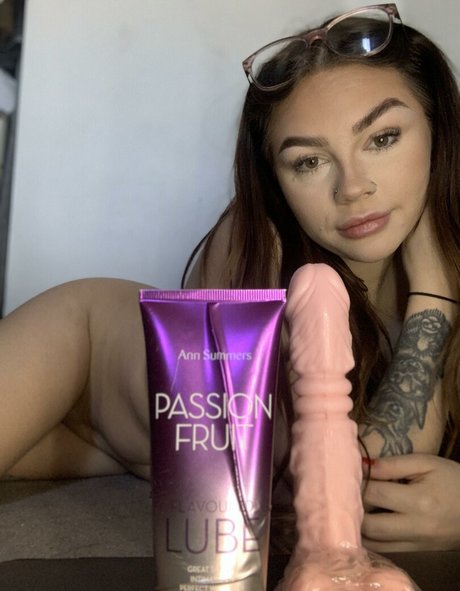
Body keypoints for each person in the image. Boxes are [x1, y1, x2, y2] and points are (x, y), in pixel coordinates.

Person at [0, 3, 459, 555]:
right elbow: (347, 499)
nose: (353, 187)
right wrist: (436, 289)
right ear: (276, 178)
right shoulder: (256, 245)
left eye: (382, 139)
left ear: (439, 130)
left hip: (120, 450)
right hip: (80, 356)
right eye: (308, 162)